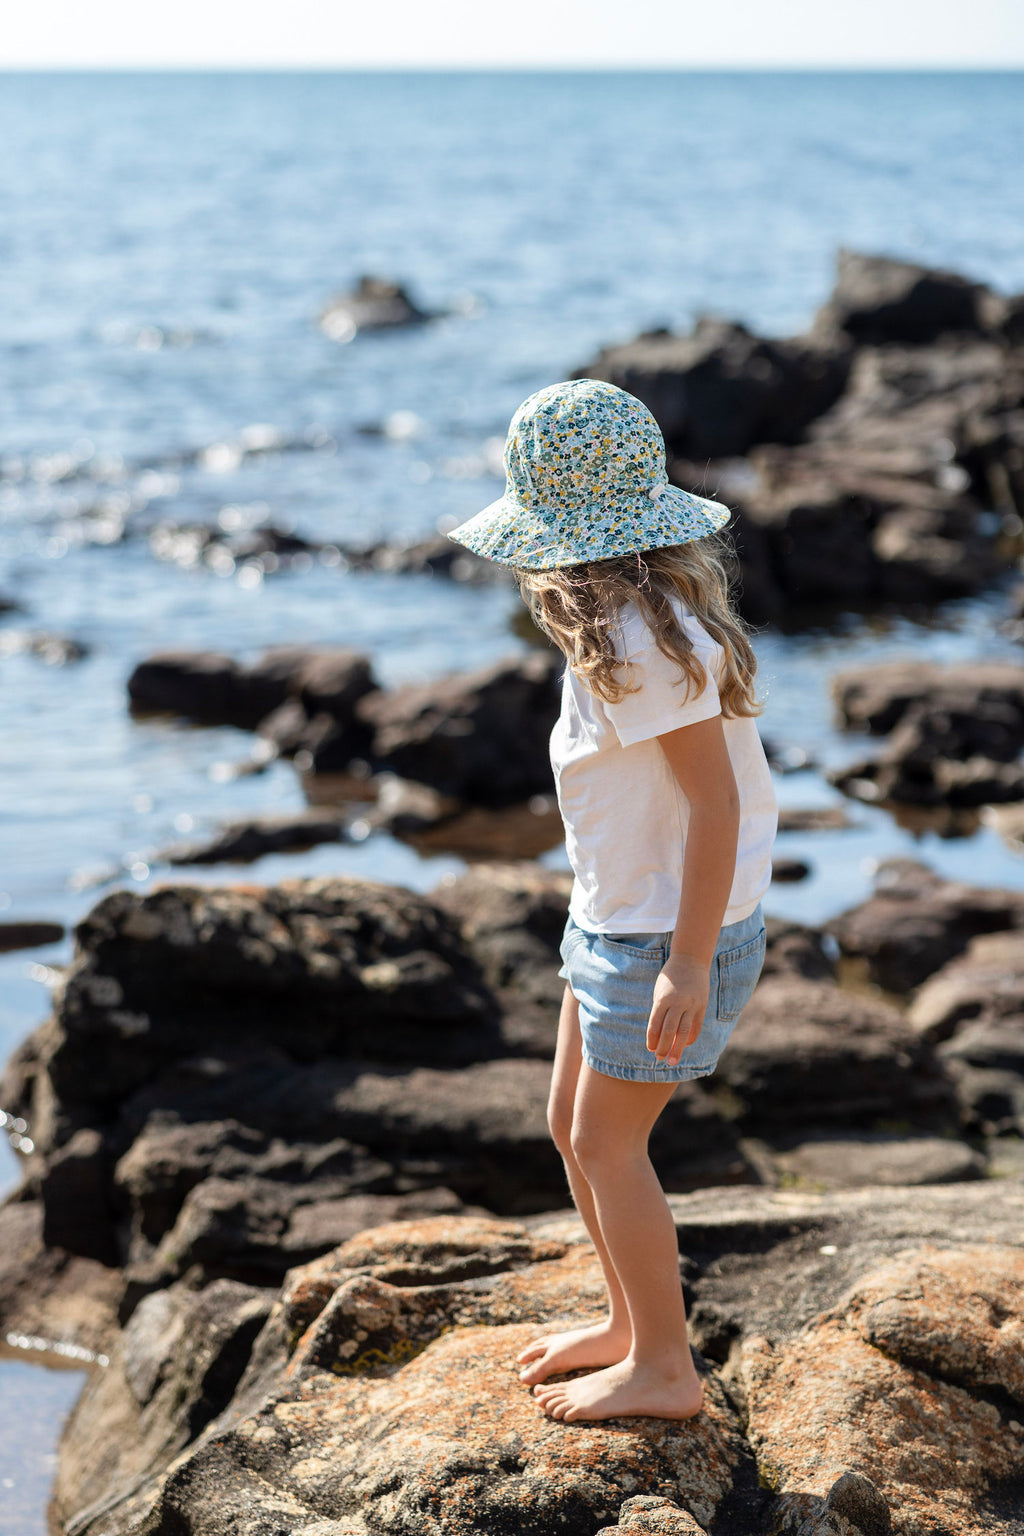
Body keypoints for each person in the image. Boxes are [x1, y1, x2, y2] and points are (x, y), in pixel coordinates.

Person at [446, 378, 778, 1425]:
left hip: (664, 937)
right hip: (614, 918)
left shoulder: (643, 643)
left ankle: (665, 1370)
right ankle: (629, 1325)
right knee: (571, 1126)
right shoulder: (621, 625)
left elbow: (716, 807)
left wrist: (688, 962)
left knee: (606, 1144)